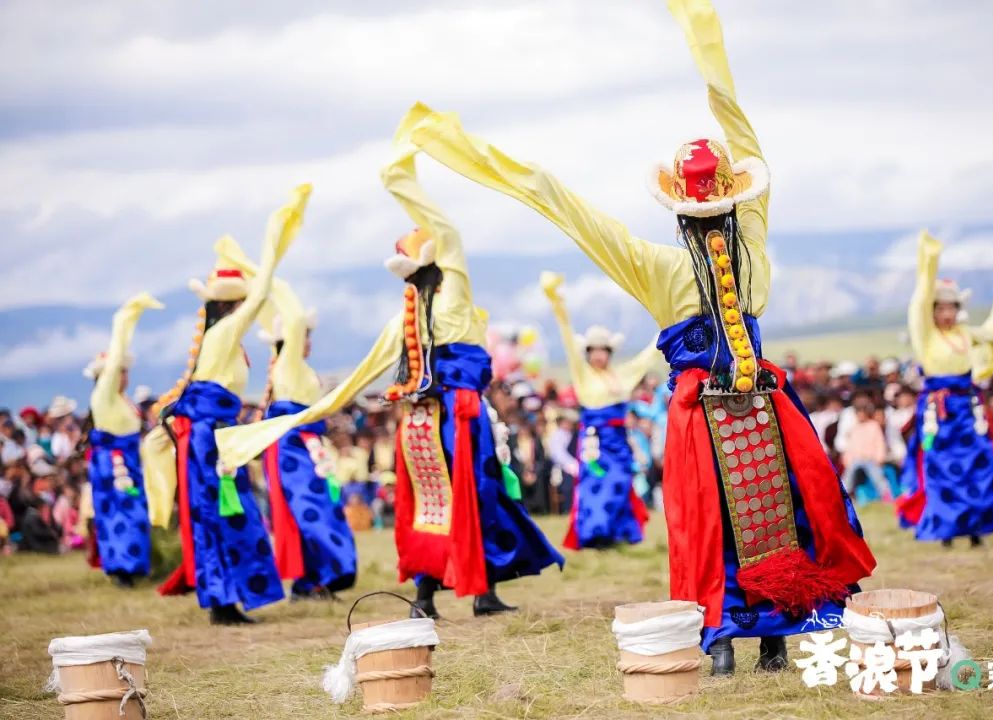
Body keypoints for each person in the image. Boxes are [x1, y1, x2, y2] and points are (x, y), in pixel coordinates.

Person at [407, 0, 876, 675]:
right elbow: (747, 145)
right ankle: (762, 638)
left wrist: (524, 178)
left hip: (704, 411)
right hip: (755, 404)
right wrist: (710, 61)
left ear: (681, 215)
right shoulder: (751, 243)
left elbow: (578, 217)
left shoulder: (660, 266)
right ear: (734, 200)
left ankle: (730, 638)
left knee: (715, 524)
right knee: (776, 512)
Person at [215, 116, 563, 620]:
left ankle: (427, 598)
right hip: (459, 418)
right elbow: (451, 233)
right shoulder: (452, 299)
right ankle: (480, 594)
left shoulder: (408, 315)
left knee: (431, 505)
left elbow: (360, 375)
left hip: (420, 422)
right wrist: (404, 182)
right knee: (472, 497)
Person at [146, 185, 309, 625]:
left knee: (227, 512)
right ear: (229, 305)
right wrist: (270, 255)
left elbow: (257, 301)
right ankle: (223, 600)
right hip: (208, 437)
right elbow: (260, 299)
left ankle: (227, 598)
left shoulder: (224, 341)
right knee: (221, 513)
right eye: (240, 304)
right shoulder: (223, 336)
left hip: (215, 435)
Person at [219, 237, 358, 601]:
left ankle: (313, 580)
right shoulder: (289, 365)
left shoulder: (294, 369)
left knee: (311, 512)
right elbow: (292, 317)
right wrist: (267, 274)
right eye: (304, 336)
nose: (307, 340)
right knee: (310, 513)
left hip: (304, 447)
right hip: (294, 448)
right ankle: (317, 577)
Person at [895, 231, 993, 548]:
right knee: (941, 468)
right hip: (938, 412)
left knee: (978, 463)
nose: (946, 313)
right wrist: (929, 260)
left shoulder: (967, 333)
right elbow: (919, 299)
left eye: (951, 307)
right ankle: (945, 529)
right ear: (933, 310)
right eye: (940, 307)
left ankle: (978, 527)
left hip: (967, 407)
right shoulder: (926, 335)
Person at [539, 271, 656, 549]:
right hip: (594, 441)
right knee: (595, 484)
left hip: (618, 441)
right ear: (588, 352)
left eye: (603, 350)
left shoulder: (623, 375)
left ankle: (614, 533)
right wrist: (558, 304)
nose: (599, 354)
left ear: (609, 353)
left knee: (620, 482)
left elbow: (647, 357)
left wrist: (668, 327)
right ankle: (595, 534)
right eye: (594, 350)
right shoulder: (583, 375)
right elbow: (568, 339)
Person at [83, 292, 163, 587]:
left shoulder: (121, 400)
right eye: (121, 371)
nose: (125, 375)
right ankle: (122, 568)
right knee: (121, 515)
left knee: (133, 513)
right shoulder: (103, 396)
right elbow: (115, 358)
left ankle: (132, 566)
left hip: (128, 461)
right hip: (114, 465)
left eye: (126, 372)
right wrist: (125, 323)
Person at [839, 400, 892, 503]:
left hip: (870, 459)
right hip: (856, 460)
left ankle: (886, 495)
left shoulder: (874, 426)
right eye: (858, 414)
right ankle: (842, 495)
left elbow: (879, 443)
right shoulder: (854, 428)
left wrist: (879, 457)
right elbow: (850, 447)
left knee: (878, 476)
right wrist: (847, 460)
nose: (860, 416)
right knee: (848, 476)